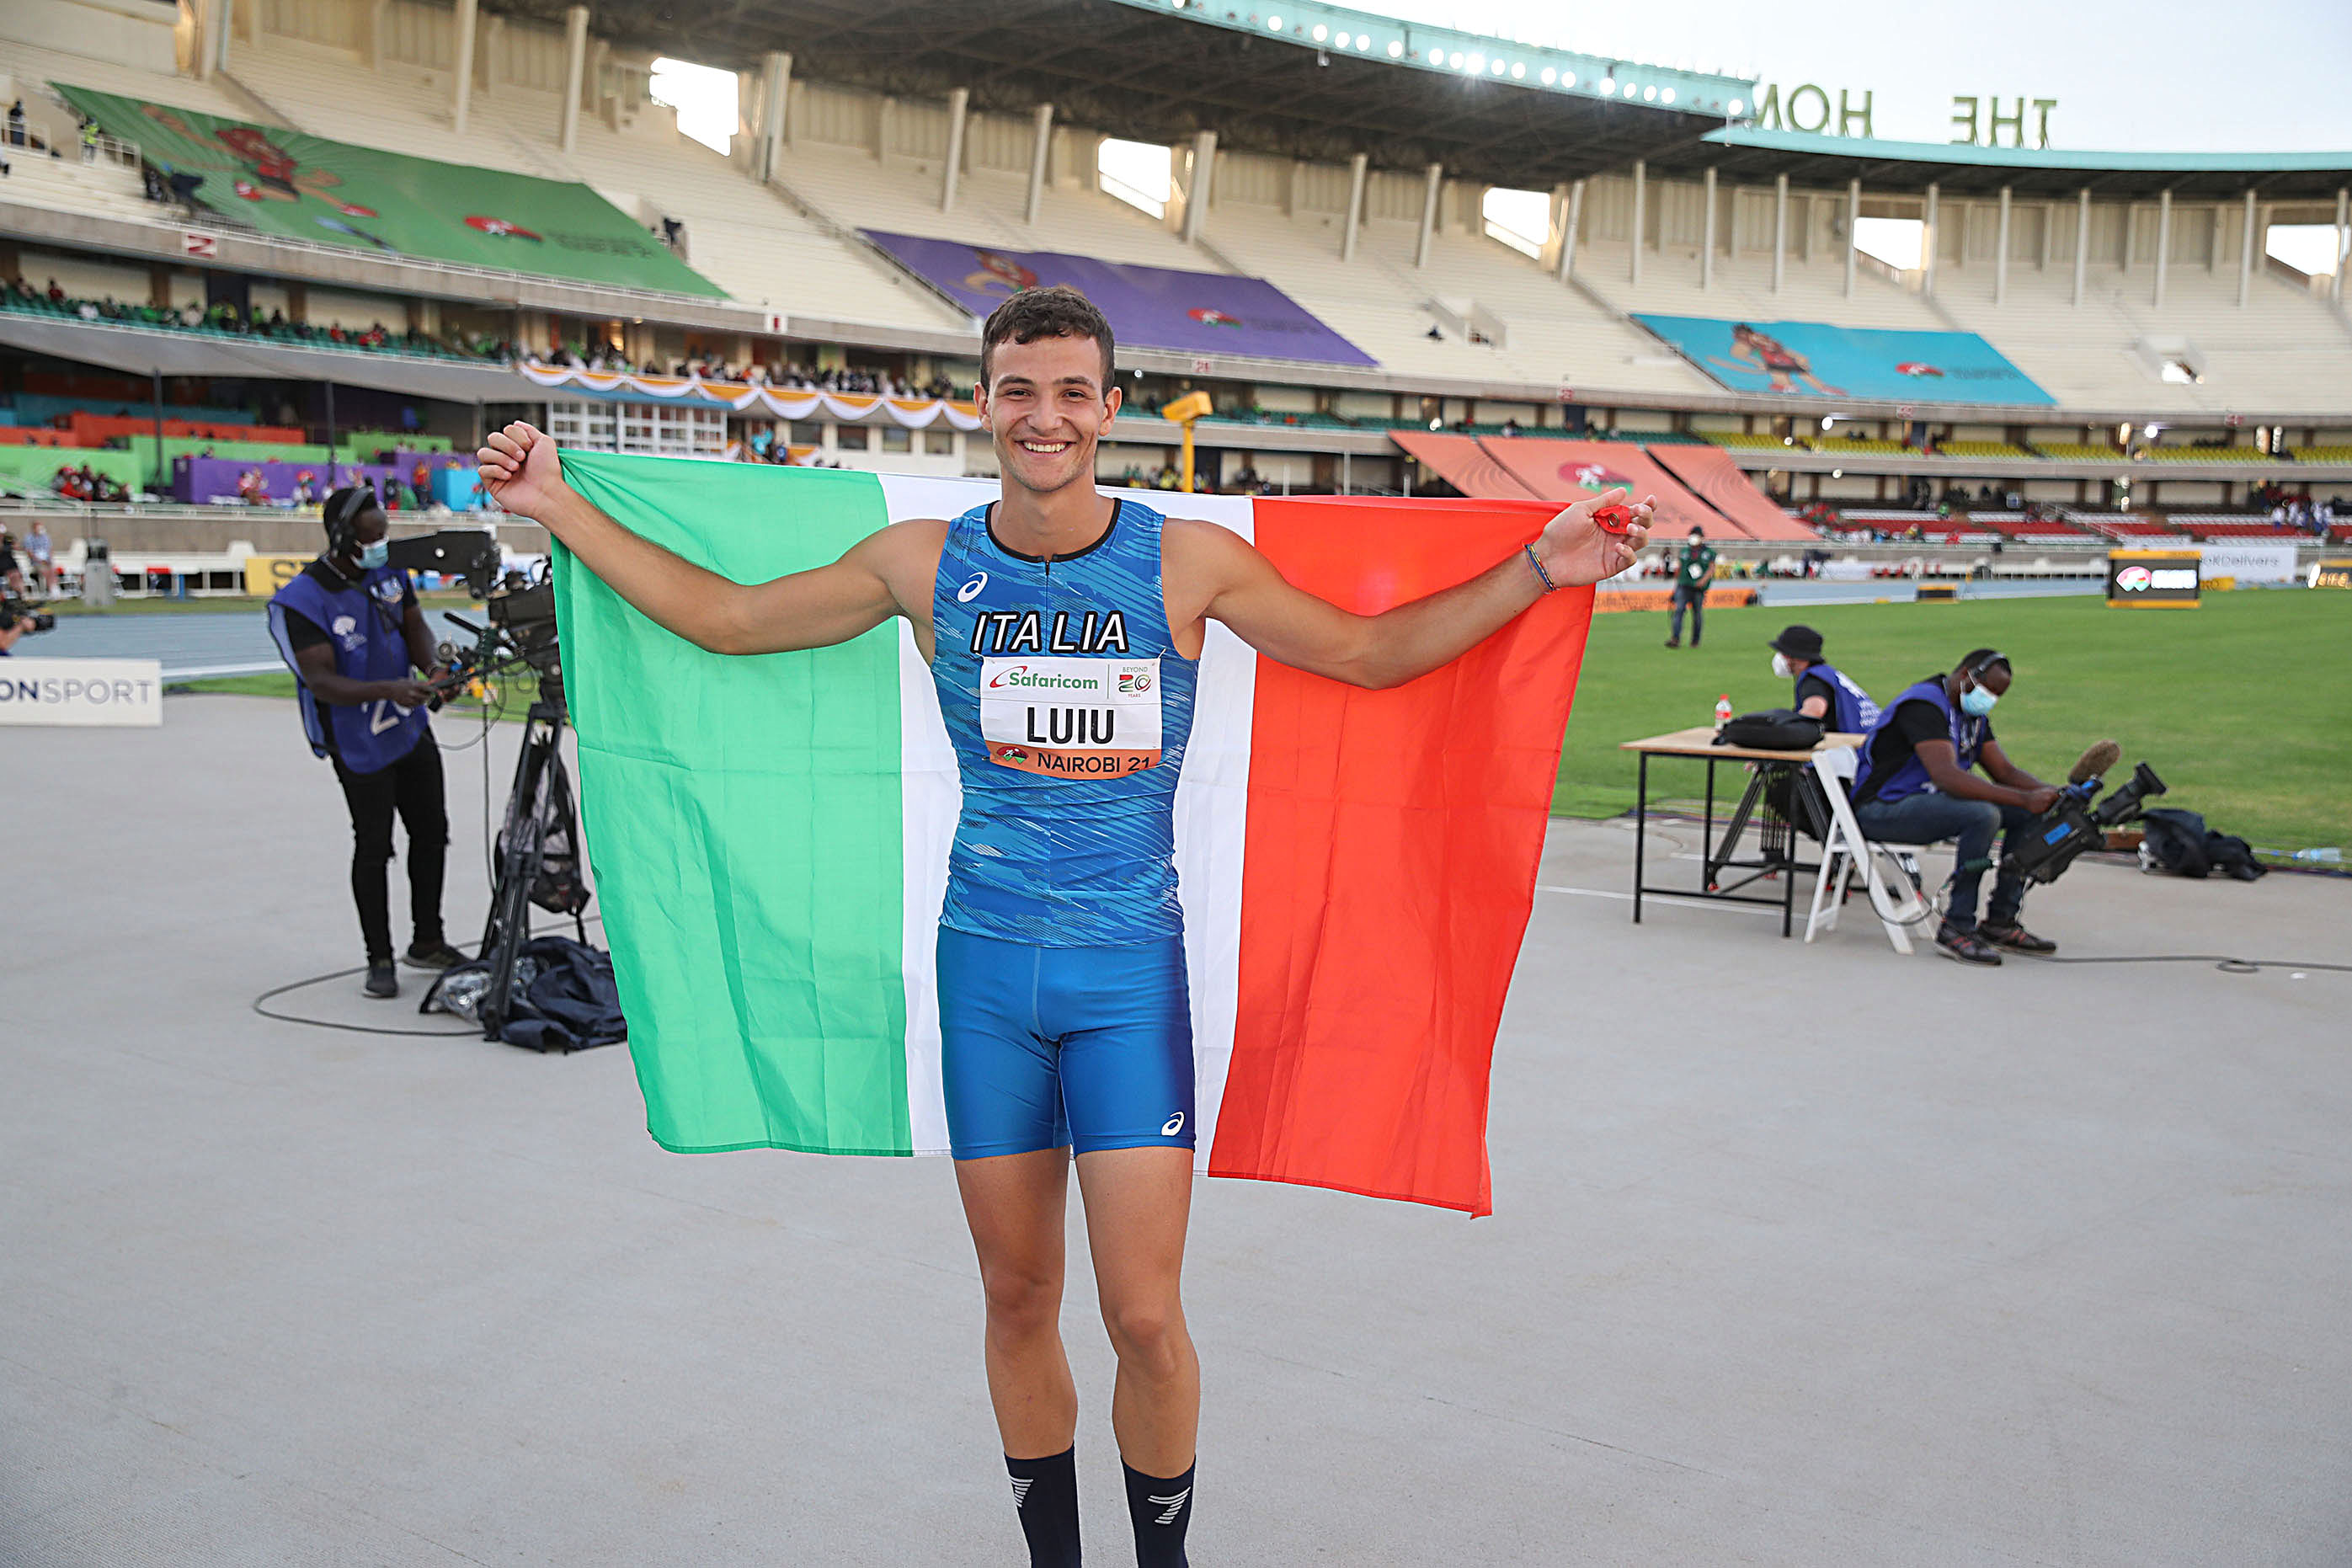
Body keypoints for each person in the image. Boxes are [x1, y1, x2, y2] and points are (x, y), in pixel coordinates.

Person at [474, 284, 1651, 1568]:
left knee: (1143, 1316)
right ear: (986, 404)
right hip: (985, 978)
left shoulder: (1183, 560)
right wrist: (556, 505)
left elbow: (1367, 654)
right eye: (1021, 390)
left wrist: (1542, 566)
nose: (1046, 416)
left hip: (1127, 983)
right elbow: (730, 619)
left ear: (1109, 407)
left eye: (1072, 392)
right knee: (1016, 1293)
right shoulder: (921, 563)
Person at [265, 486, 465, 998]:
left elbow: (415, 627)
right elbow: (321, 682)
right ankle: (379, 958)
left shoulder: (390, 572)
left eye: (384, 536)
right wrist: (390, 689)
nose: (381, 546)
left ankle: (428, 940)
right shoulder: (301, 600)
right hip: (357, 739)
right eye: (371, 538)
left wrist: (434, 669)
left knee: (432, 832)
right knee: (374, 845)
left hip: (409, 726)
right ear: (341, 538)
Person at [1848, 649, 2061, 968]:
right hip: (1880, 808)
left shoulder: (1971, 715)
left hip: (1923, 805)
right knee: (1982, 815)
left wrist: (2053, 795)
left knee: (2029, 813)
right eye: (1988, 690)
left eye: (1997, 695)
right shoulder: (1923, 706)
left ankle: (2001, 921)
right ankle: (1957, 926)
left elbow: (2004, 772)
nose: (1990, 699)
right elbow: (1946, 777)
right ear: (1966, 675)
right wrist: (2023, 798)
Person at [1768, 624, 1878, 734]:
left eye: (1783, 653)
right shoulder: (1827, 674)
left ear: (1795, 656)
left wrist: (1784, 729)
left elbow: (1815, 710)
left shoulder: (1813, 680)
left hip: (1859, 742)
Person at [1663, 525, 1715, 648]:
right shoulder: (1685, 552)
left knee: (1697, 614)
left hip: (1698, 588)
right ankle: (1675, 638)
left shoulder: (1708, 553)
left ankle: (1695, 641)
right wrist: (1675, 589)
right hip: (1684, 585)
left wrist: (1703, 581)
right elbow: (1680, 569)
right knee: (1678, 610)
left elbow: (1711, 568)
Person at [22, 520, 52, 596]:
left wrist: (48, 560)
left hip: (47, 562)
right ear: (34, 529)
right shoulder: (29, 538)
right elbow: (30, 553)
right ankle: (45, 591)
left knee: (53, 570)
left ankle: (53, 590)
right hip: (35, 563)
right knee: (44, 571)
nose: (40, 529)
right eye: (38, 528)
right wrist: (40, 561)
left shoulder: (46, 537)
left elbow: (50, 550)